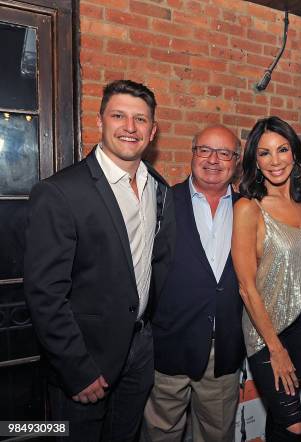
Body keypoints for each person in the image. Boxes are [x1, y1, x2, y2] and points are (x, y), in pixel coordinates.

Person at [24, 79, 175, 441]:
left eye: (140, 120)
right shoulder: (61, 192)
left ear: (152, 132)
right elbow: (45, 294)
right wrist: (77, 369)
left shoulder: (159, 188)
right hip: (85, 358)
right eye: (119, 115)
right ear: (100, 120)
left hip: (139, 351)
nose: (129, 127)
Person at [143, 125, 245, 442]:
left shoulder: (249, 209)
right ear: (193, 153)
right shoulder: (161, 203)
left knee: (217, 433)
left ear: (236, 161)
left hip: (225, 348)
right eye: (205, 150)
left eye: (224, 153)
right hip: (169, 344)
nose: (213, 160)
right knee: (162, 432)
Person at [232, 116, 301, 442]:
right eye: (264, 153)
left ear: (295, 153)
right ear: (255, 161)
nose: (275, 161)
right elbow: (246, 287)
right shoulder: (249, 208)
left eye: (282, 149)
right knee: (294, 426)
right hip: (266, 332)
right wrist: (275, 348)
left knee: (279, 416)